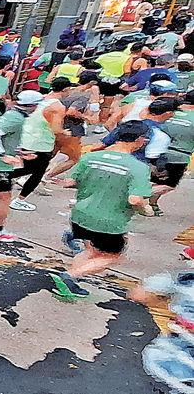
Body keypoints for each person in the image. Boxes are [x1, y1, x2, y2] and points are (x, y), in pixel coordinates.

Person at [50, 121, 153, 301]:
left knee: (90, 250)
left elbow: (70, 182)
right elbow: (135, 199)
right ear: (139, 140)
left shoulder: (91, 157)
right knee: (113, 256)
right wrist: (146, 209)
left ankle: (70, 283)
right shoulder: (138, 168)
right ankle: (70, 276)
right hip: (109, 221)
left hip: (81, 214)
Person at [0, 91, 43, 242]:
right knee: (4, 198)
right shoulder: (16, 118)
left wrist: (21, 153)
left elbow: (8, 138)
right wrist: (2, 155)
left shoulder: (15, 115)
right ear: (31, 106)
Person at [10, 77, 71, 211]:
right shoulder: (58, 107)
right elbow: (55, 129)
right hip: (41, 142)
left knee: (28, 168)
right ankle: (19, 199)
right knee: (35, 172)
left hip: (26, 137)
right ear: (66, 89)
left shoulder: (40, 99)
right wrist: (65, 133)